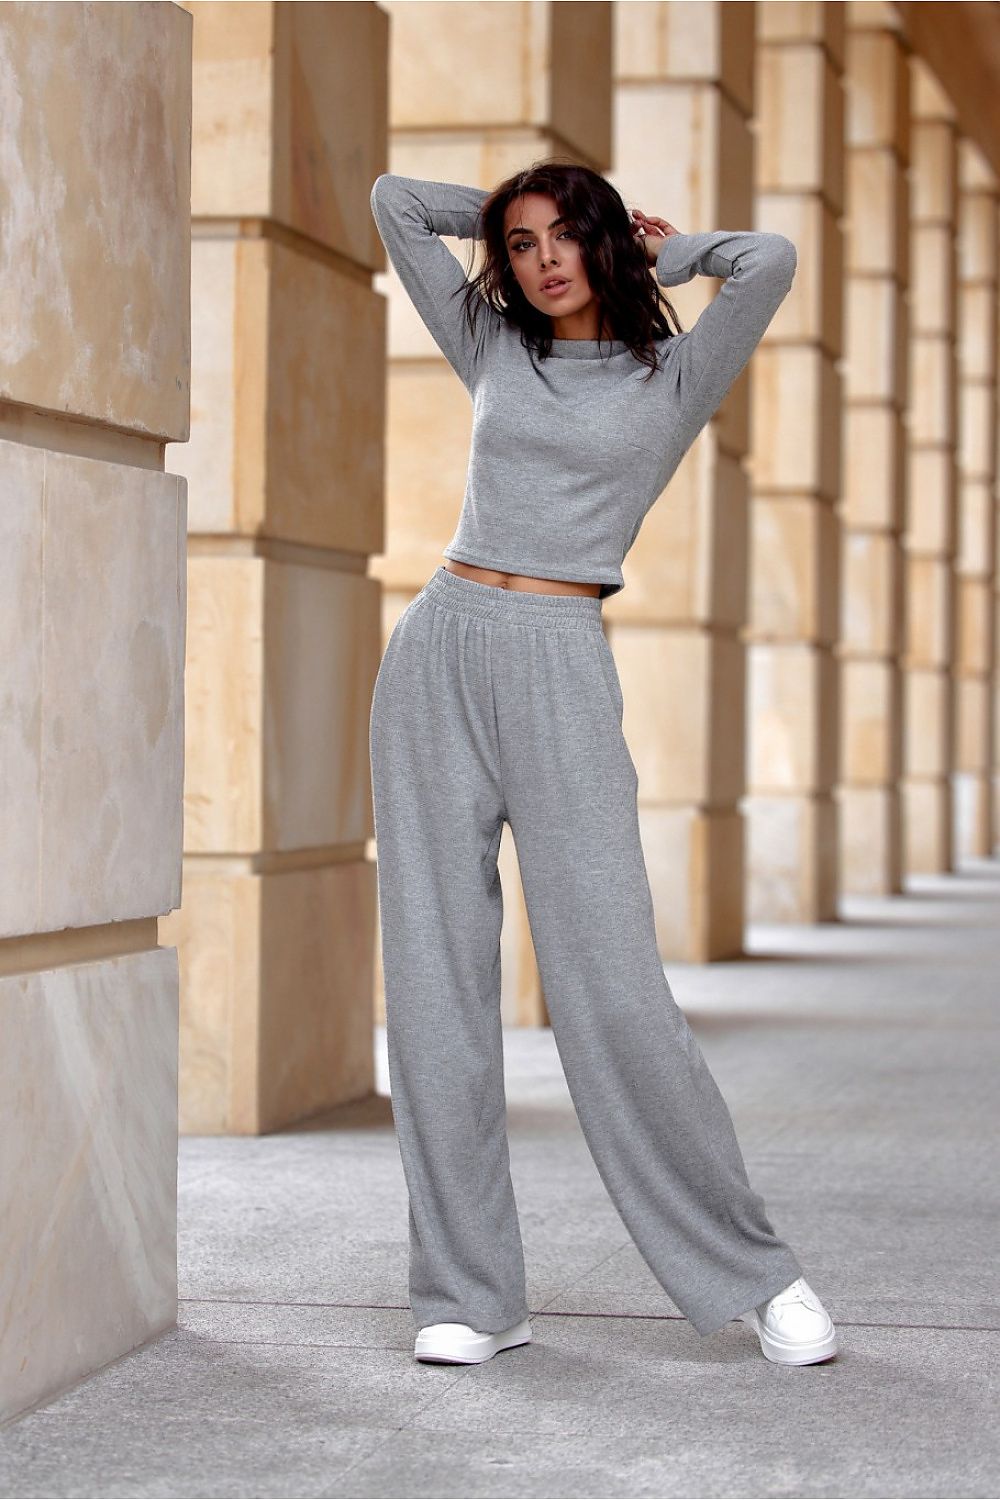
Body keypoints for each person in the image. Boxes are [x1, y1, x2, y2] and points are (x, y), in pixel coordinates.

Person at [368, 160, 838, 1369]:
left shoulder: (670, 375)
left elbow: (768, 261)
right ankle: (471, 1294)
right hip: (440, 651)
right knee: (435, 987)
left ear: (604, 242)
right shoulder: (490, 345)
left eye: (563, 237)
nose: (542, 261)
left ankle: (753, 1271)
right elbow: (389, 201)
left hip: (560, 661)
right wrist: (506, 199)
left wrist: (646, 243)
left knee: (612, 987)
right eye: (520, 243)